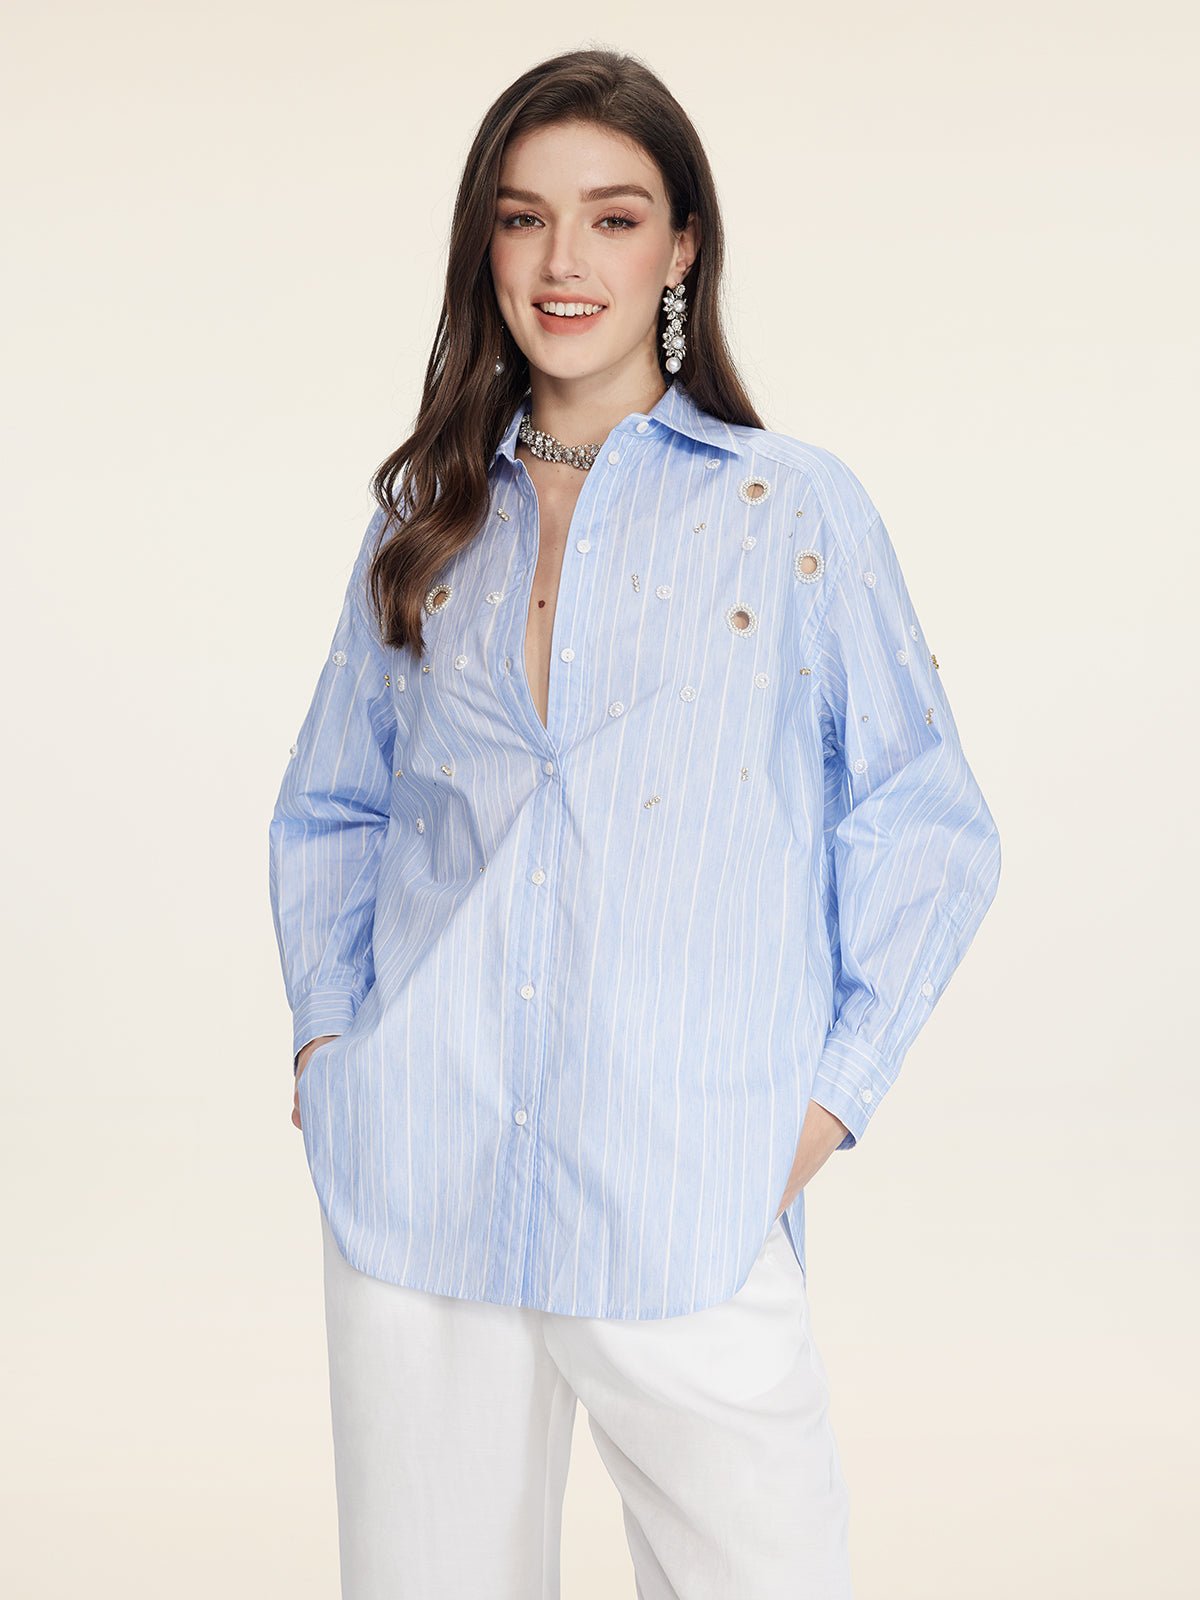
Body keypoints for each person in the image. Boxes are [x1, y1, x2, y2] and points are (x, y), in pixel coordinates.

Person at [268, 47, 1001, 1600]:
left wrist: (812, 1116)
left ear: (680, 248)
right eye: (526, 219)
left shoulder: (789, 510)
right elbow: (334, 806)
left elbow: (927, 824)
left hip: (682, 1192)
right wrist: (336, 1052)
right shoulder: (424, 523)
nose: (563, 261)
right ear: (488, 247)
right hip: (421, 1184)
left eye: (612, 218)